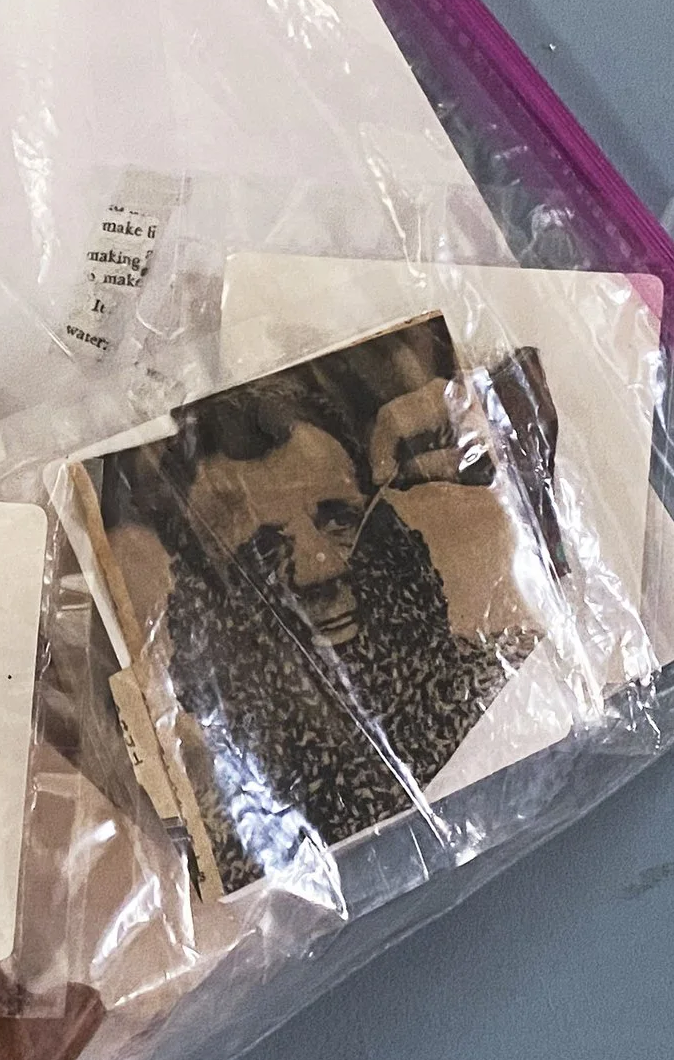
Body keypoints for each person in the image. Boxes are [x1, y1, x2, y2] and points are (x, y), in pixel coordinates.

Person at [100, 325, 534, 896]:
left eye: (339, 519)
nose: (318, 569)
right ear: (202, 597)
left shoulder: (515, 695)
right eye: (264, 551)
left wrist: (528, 477)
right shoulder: (205, 844)